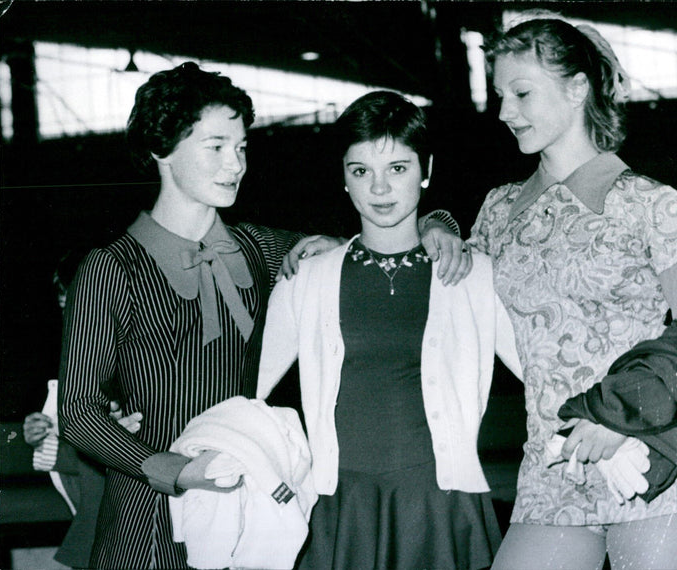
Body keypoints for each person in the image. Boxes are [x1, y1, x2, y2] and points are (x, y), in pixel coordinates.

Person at [57, 63, 469, 570]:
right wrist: (175, 471)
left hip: (249, 519)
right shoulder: (110, 268)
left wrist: (436, 221)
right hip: (146, 524)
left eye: (242, 147)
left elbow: (373, 240)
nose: (236, 164)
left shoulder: (261, 249)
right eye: (216, 146)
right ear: (160, 149)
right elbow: (77, 410)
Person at [466, 12, 677, 570]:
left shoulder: (648, 204)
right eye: (499, 95)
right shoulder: (500, 212)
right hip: (552, 474)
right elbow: (448, 284)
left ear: (576, 88)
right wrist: (436, 226)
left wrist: (624, 421)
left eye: (521, 93)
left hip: (650, 465)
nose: (504, 112)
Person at [256, 90, 523, 570]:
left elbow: (540, 372)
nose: (379, 189)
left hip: (443, 503)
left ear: (427, 170)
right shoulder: (307, 278)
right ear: (343, 176)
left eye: (397, 168)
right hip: (343, 508)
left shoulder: (475, 275)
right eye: (361, 171)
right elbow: (247, 389)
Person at [23, 251, 142, 569]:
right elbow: (67, 435)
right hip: (97, 489)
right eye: (66, 310)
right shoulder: (75, 362)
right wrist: (40, 434)